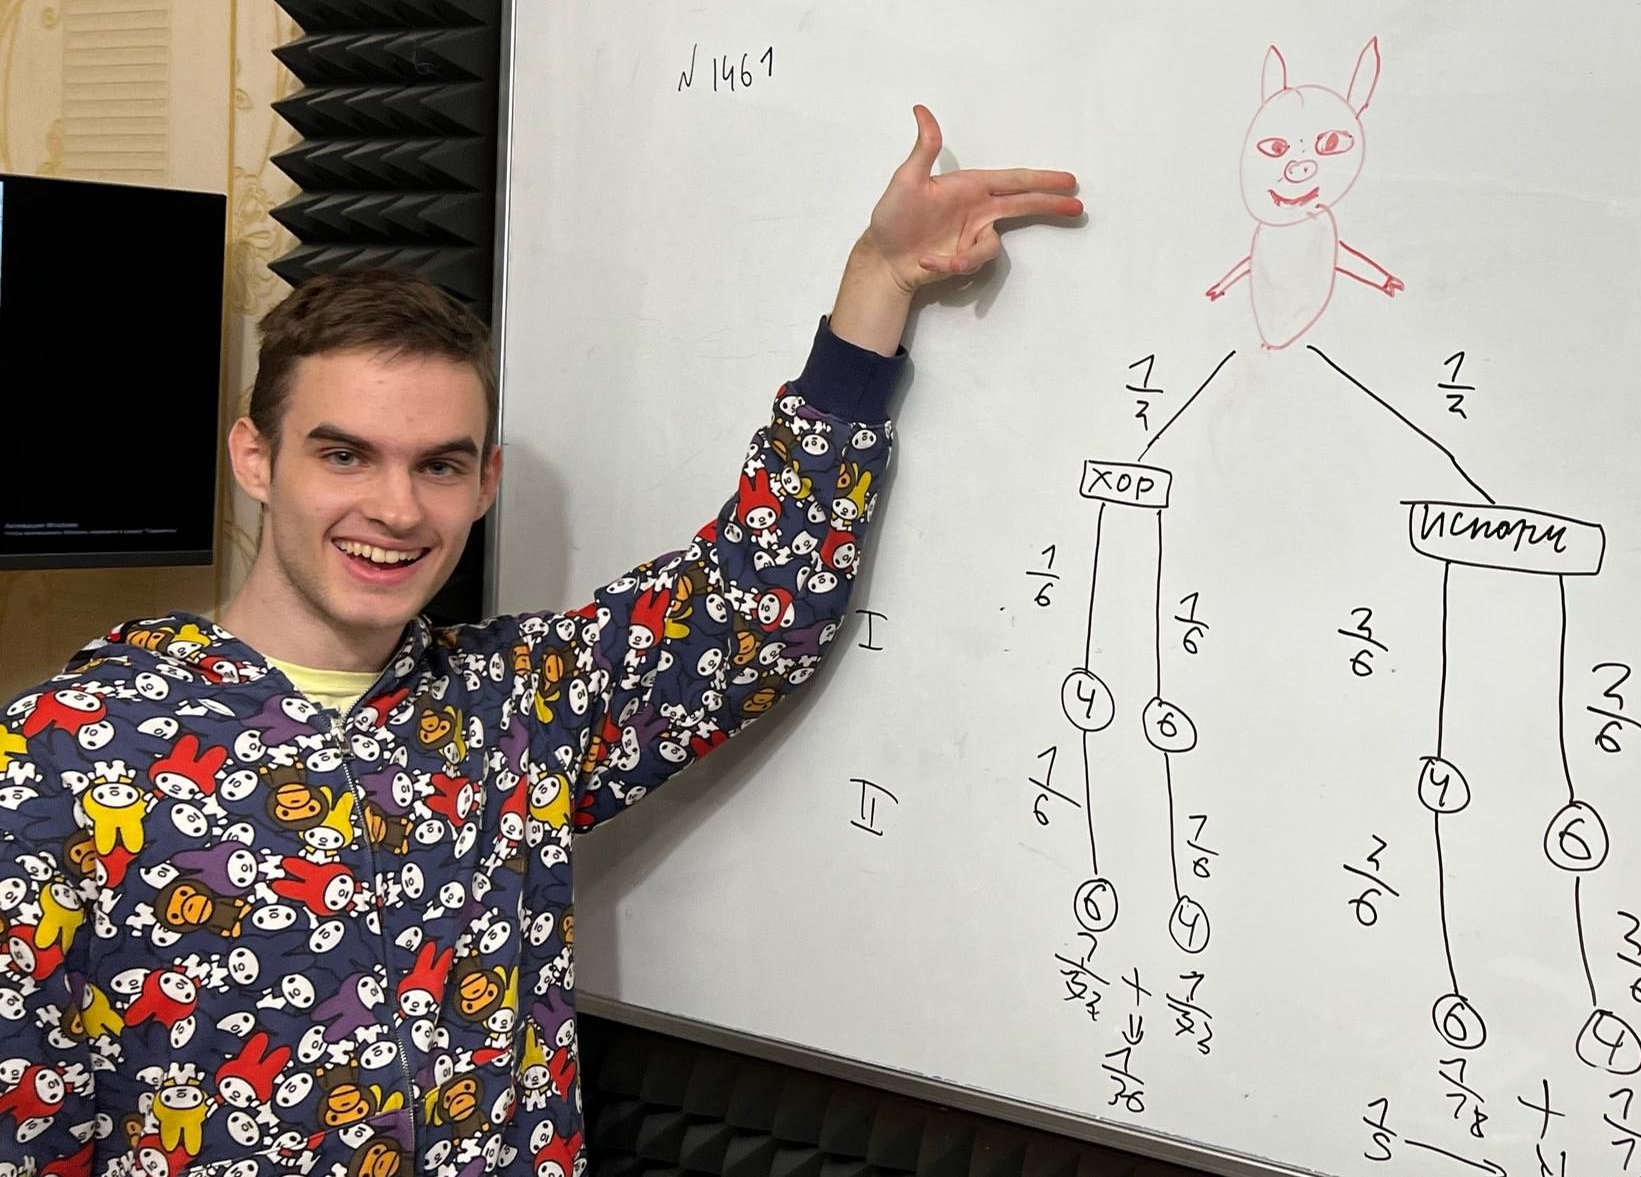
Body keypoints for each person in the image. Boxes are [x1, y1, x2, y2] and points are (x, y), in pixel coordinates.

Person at [0, 107, 1080, 1177]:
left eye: (438, 465)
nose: (396, 509)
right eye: (344, 455)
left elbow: (754, 604)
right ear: (255, 458)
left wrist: (878, 283)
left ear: (485, 483)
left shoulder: (513, 706)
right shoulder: (63, 756)